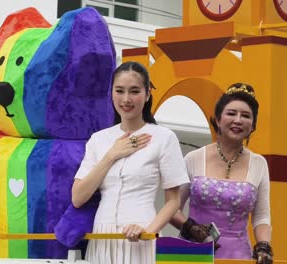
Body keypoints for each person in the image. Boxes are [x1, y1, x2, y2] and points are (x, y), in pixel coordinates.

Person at [71, 61, 189, 264]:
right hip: (102, 236)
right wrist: (111, 155)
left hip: (140, 232)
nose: (126, 99)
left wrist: (148, 231)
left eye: (134, 91)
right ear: (111, 93)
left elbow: (173, 201)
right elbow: (78, 197)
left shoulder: (164, 137)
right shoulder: (99, 139)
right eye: (120, 91)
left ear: (147, 94)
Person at [170, 83, 273, 263]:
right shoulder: (193, 158)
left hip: (237, 256)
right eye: (231, 113)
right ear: (217, 119)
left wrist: (264, 246)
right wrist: (191, 228)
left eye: (246, 116)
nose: (238, 120)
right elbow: (171, 208)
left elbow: (262, 217)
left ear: (253, 126)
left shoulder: (259, 164)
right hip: (193, 252)